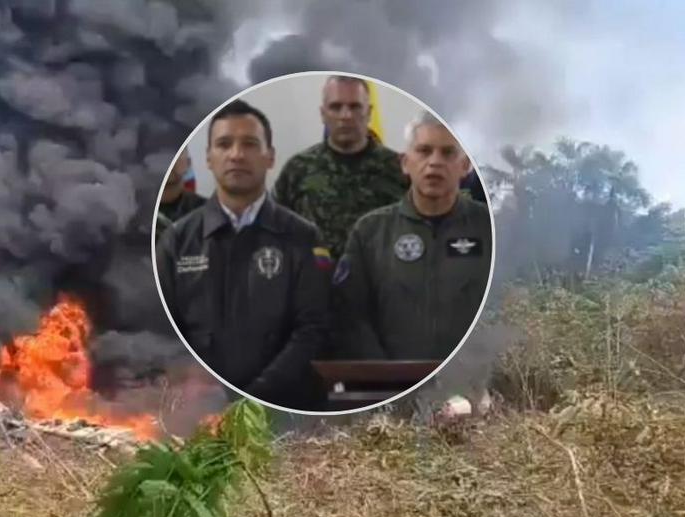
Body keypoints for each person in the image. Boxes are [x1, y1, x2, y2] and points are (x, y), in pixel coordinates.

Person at [156, 99, 329, 410]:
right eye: (224, 144)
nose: (236, 154)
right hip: (200, 412)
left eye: (249, 144)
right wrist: (208, 397)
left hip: (285, 411)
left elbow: (312, 330)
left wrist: (255, 398)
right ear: (208, 158)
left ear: (270, 157)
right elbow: (165, 332)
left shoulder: (303, 237)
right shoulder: (177, 241)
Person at [332, 112, 491, 361]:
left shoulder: (491, 228)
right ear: (405, 162)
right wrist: (384, 372)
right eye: (424, 151)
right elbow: (350, 315)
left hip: (474, 378)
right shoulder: (370, 231)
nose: (435, 162)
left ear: (465, 166)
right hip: (392, 380)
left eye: (448, 153)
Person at [273, 75, 409, 257]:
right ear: (323, 114)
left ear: (369, 112)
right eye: (336, 107)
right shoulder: (297, 169)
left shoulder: (399, 169)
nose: (345, 116)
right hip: (314, 273)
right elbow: (274, 230)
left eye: (355, 107)